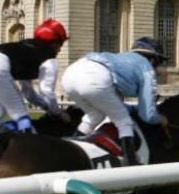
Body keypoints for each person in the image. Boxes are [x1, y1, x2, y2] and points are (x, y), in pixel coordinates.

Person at [61, 37, 168, 165]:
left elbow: (115, 99)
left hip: (70, 74)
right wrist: (160, 118)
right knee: (124, 122)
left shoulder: (121, 59)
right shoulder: (146, 67)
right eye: (159, 62)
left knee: (95, 115)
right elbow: (147, 115)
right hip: (95, 78)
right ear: (152, 59)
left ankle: (70, 146)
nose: (158, 68)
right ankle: (131, 162)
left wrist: (133, 107)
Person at [0, 18, 68, 134]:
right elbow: (47, 91)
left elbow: (29, 94)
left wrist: (47, 108)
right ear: (55, 44)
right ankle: (29, 148)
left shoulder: (25, 49)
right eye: (61, 45)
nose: (60, 50)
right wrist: (58, 113)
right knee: (20, 114)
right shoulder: (49, 59)